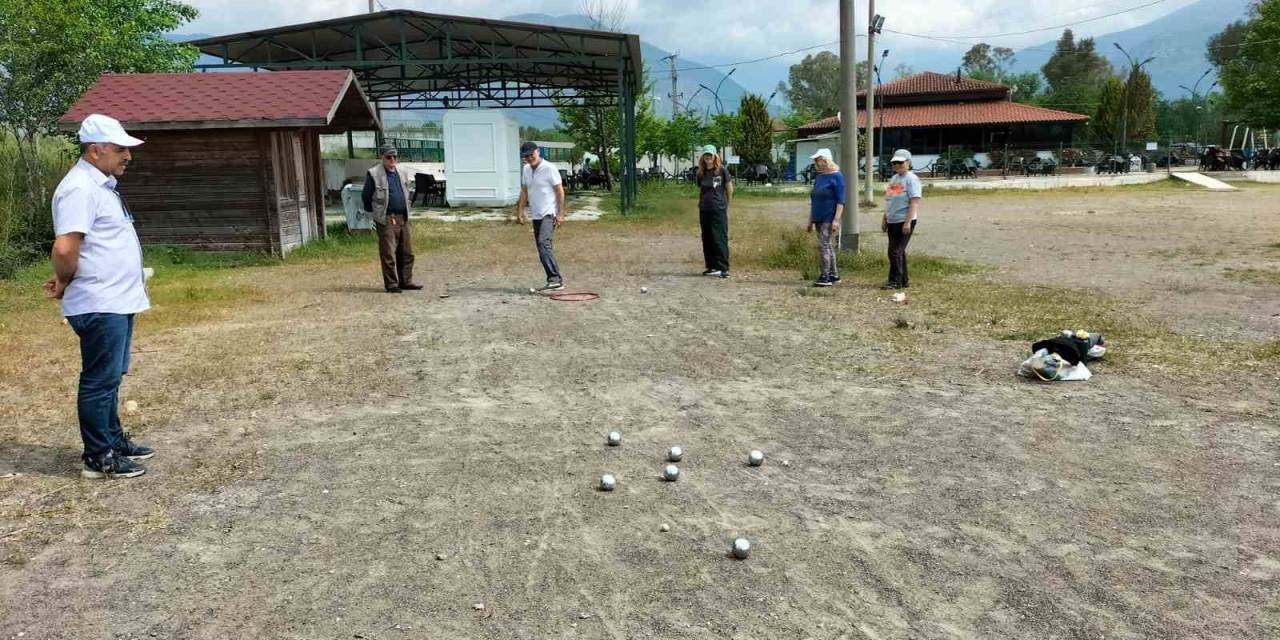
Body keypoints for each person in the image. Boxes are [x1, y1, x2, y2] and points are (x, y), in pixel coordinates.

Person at [46, 114, 154, 479]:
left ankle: (112, 439)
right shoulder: (80, 188)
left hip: (117, 300)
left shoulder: (101, 186)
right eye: (121, 149)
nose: (128, 156)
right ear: (96, 150)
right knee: (99, 380)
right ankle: (98, 456)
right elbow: (64, 248)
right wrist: (63, 281)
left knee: (110, 378)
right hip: (100, 301)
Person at [362, 142, 421, 293]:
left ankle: (406, 281)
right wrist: (376, 213)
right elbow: (366, 196)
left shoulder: (402, 172)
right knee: (388, 252)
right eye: (389, 157)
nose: (392, 159)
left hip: (403, 217)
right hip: (386, 218)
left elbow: (408, 191)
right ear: (382, 157)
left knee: (407, 251)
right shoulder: (374, 173)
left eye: (395, 156)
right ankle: (392, 284)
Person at [516, 141, 566, 291]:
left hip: (548, 213)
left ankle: (555, 279)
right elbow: (525, 191)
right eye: (526, 156)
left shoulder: (549, 168)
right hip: (536, 214)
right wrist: (520, 211)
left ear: (538, 152)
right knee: (541, 247)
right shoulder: (526, 169)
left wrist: (560, 213)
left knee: (544, 244)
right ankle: (554, 279)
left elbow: (559, 191)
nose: (529, 158)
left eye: (531, 154)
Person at [881, 148, 923, 290]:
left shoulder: (911, 179)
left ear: (908, 163)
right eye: (895, 163)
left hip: (904, 220)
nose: (897, 165)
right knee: (898, 252)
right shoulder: (895, 179)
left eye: (900, 162)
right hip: (892, 220)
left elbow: (914, 202)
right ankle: (904, 280)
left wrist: (908, 222)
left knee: (895, 252)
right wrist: (885, 217)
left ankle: (895, 281)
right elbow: (890, 200)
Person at [806, 149, 845, 287]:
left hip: (829, 216)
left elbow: (841, 201)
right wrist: (810, 220)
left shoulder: (837, 176)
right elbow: (814, 198)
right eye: (815, 160)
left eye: (818, 159)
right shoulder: (820, 177)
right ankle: (834, 274)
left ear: (825, 160)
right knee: (827, 245)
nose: (816, 162)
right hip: (818, 215)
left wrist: (836, 220)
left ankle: (825, 275)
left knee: (824, 245)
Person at [695, 145, 732, 278]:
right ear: (703, 157)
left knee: (719, 237)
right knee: (707, 237)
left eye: (710, 155)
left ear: (715, 156)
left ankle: (723, 268)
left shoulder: (721, 171)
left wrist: (726, 203)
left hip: (718, 209)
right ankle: (712, 266)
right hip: (704, 209)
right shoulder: (701, 172)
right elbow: (701, 190)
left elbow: (729, 188)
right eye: (706, 155)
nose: (708, 157)